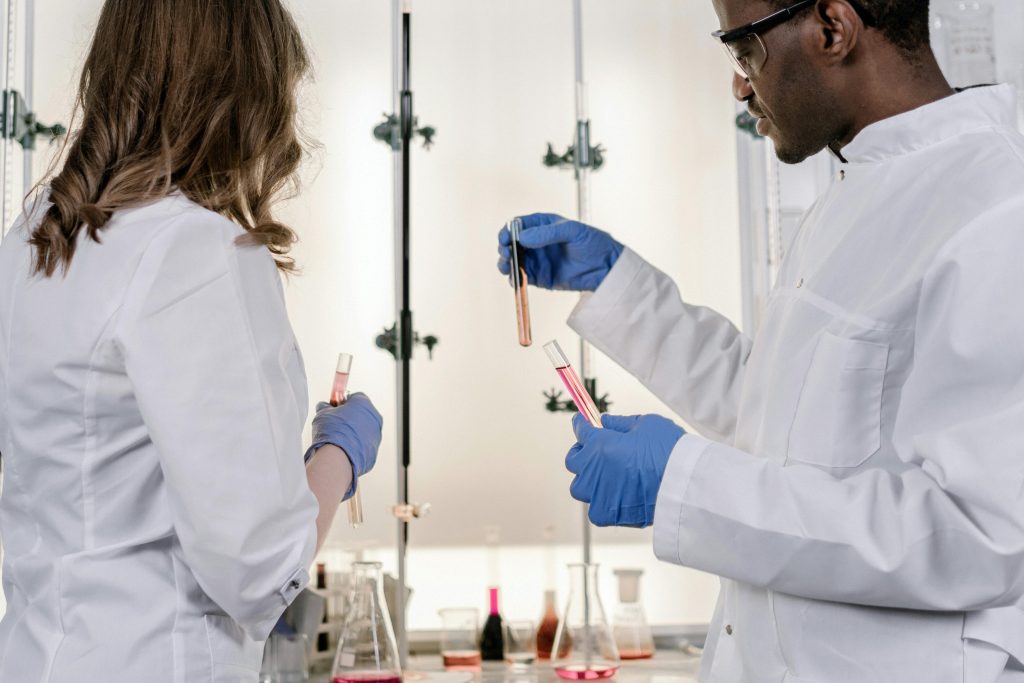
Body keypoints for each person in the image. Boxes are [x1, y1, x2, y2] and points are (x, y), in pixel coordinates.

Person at [499, 0, 1024, 681]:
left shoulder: (994, 207)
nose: (740, 85)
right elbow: (780, 414)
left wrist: (685, 483)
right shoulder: (855, 188)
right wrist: (616, 283)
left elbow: (978, 536)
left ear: (832, 29)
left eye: (744, 50)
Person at [0, 1, 382, 681]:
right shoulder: (196, 250)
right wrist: (338, 454)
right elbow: (261, 568)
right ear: (245, 96)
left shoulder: (35, 238)